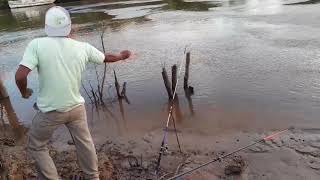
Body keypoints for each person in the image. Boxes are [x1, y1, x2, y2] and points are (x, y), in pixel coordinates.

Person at [15, 6, 131, 180]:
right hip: (76, 108)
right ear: (69, 26)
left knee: (37, 145)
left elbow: (20, 75)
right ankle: (93, 177)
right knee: (85, 143)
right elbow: (107, 58)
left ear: (47, 26)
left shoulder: (37, 44)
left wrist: (24, 92)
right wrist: (123, 55)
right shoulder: (82, 46)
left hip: (51, 112)